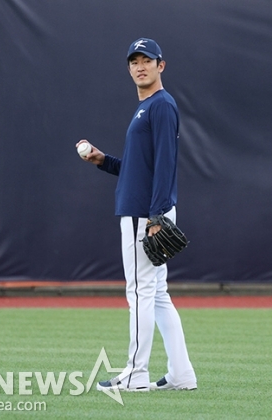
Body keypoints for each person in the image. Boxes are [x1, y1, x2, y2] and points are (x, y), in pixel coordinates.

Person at [77, 38, 197, 391]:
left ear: (162, 65)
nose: (140, 66)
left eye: (147, 60)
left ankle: (135, 374)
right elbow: (137, 167)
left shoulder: (161, 105)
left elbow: (165, 164)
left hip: (144, 213)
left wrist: (158, 216)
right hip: (147, 208)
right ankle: (181, 374)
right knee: (156, 294)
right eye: (134, 61)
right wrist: (102, 161)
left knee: (141, 292)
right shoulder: (148, 106)